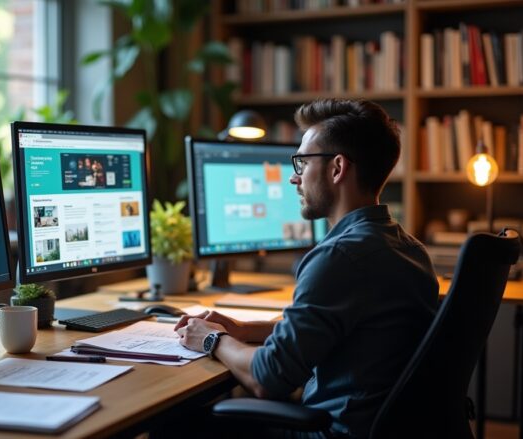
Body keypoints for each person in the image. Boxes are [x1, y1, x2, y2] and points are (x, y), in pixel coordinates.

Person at [175, 99, 439, 438]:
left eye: (301, 163)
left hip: (331, 432)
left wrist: (212, 339)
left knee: (180, 423)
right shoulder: (409, 249)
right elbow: (337, 330)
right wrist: (242, 329)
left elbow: (266, 379)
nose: (294, 179)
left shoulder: (338, 258)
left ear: (337, 168)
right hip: (384, 427)